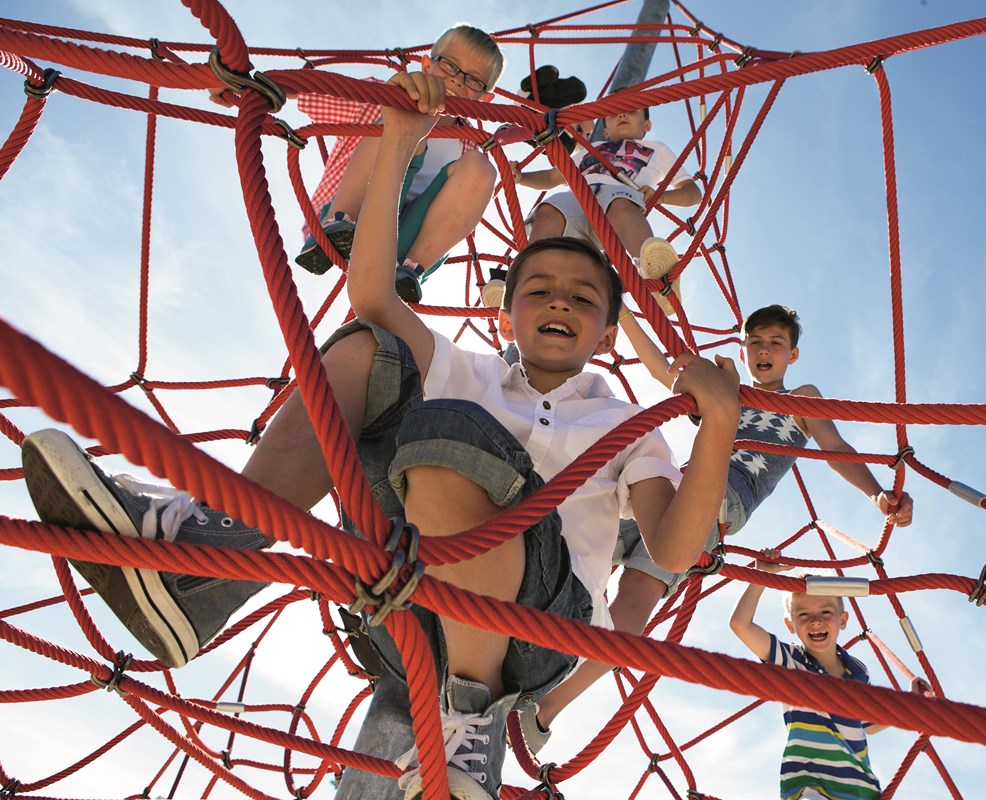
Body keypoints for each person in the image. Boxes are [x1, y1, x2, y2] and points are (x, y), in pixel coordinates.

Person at [22, 68, 741, 800]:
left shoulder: (622, 423)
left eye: (584, 297)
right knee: (367, 349)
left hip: (535, 632)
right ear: (507, 315)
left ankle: (473, 721)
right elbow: (371, 296)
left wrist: (718, 426)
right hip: (405, 600)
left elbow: (675, 549)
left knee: (449, 430)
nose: (560, 302)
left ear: (610, 329)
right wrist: (399, 144)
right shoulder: (471, 369)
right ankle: (207, 564)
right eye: (539, 290)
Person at [515, 303, 914, 753]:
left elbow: (836, 445)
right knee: (571, 552)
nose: (765, 351)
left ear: (793, 355)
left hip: (717, 503)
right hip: (659, 487)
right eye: (755, 342)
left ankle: (544, 710)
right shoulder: (727, 390)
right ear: (742, 349)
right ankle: (508, 652)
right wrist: (622, 312)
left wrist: (878, 493)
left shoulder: (801, 397)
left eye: (776, 344)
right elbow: (665, 370)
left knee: (636, 599)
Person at [290, 24, 504, 303]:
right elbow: (318, 93)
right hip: (356, 208)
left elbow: (462, 209)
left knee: (482, 170)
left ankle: (409, 271)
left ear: (485, 100)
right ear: (427, 64)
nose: (457, 81)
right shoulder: (382, 95)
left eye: (474, 80)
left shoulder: (470, 147)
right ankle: (338, 224)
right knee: (400, 112)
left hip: (406, 244)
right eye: (450, 65)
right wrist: (250, 87)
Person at [729, 549, 929, 800]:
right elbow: (740, 624)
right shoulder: (789, 661)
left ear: (842, 620)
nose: (815, 621)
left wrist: (910, 703)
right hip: (810, 789)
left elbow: (868, 724)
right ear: (790, 624)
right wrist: (761, 576)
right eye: (803, 615)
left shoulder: (857, 670)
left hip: (860, 790)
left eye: (825, 612)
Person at [511, 107, 701, 315]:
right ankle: (529, 273)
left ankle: (655, 275)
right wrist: (521, 177)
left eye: (632, 111)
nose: (622, 114)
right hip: (579, 200)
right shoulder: (588, 150)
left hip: (616, 214)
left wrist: (661, 196)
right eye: (613, 114)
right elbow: (551, 178)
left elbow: (693, 193)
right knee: (550, 208)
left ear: (647, 125)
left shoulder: (656, 149)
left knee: (619, 201)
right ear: (605, 131)